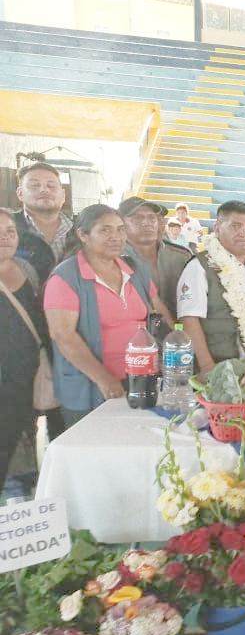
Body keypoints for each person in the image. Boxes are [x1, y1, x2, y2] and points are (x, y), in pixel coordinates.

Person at [43, 205, 166, 427]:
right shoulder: (66, 277)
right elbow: (63, 335)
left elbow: (160, 311)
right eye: (105, 230)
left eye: (120, 230)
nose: (115, 237)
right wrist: (103, 378)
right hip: (93, 387)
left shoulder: (136, 269)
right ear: (83, 235)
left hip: (142, 379)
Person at [177, 200, 245, 373]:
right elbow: (189, 319)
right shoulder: (200, 266)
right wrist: (207, 367)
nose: (244, 233)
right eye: (236, 226)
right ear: (218, 228)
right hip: (221, 366)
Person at [0, 211, 48, 487]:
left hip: (29, 376)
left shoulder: (27, 270)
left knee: (24, 441)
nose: (5, 237)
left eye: (10, 231)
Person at [119, 195, 192, 318]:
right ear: (121, 224)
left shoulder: (181, 257)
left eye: (152, 218)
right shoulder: (114, 260)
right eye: (137, 218)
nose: (147, 223)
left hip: (180, 328)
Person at [13, 162, 65, 282]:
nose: (44, 190)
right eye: (35, 185)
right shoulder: (7, 229)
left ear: (63, 195)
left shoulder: (83, 231)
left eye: (51, 186)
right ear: (20, 194)